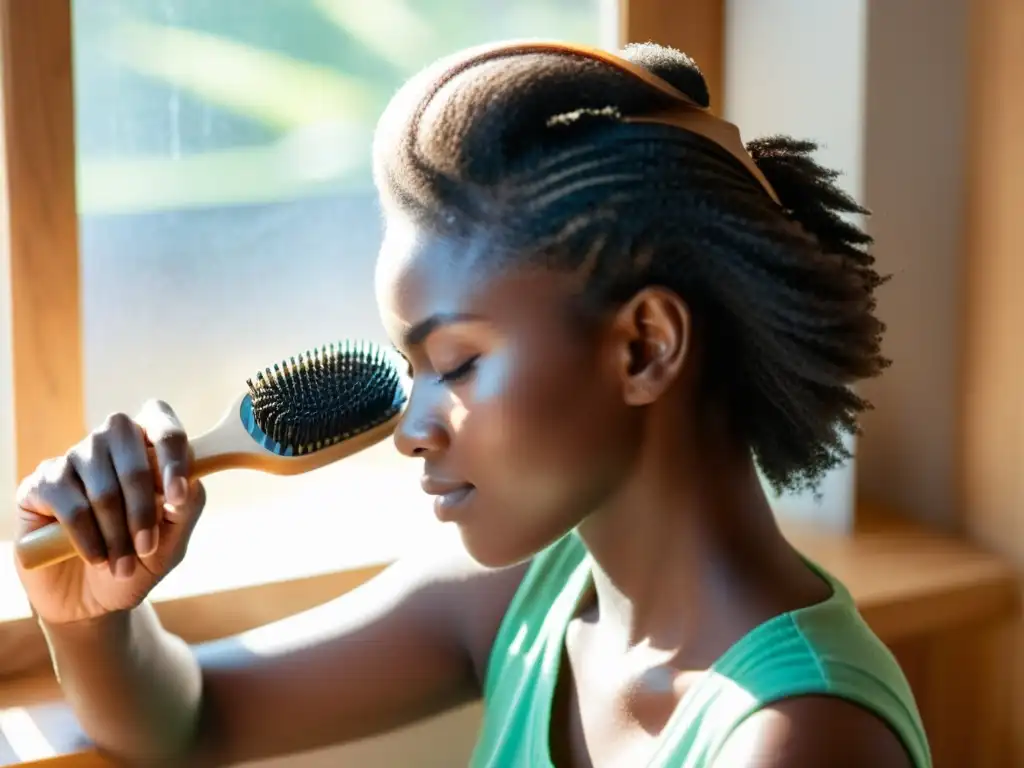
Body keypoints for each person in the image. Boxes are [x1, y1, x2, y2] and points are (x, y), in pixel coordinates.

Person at [14, 41, 931, 767]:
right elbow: (190, 721)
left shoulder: (800, 741)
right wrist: (90, 610)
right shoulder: (531, 595)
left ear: (645, 345)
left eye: (454, 365)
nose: (410, 432)